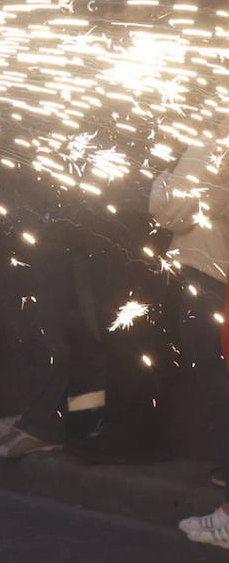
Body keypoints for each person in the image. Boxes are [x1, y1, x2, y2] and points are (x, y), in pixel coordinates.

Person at [150, 118, 229, 549]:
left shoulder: (214, 142)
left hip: (214, 278)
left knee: (222, 392)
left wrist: (165, 169)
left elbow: (171, 211)